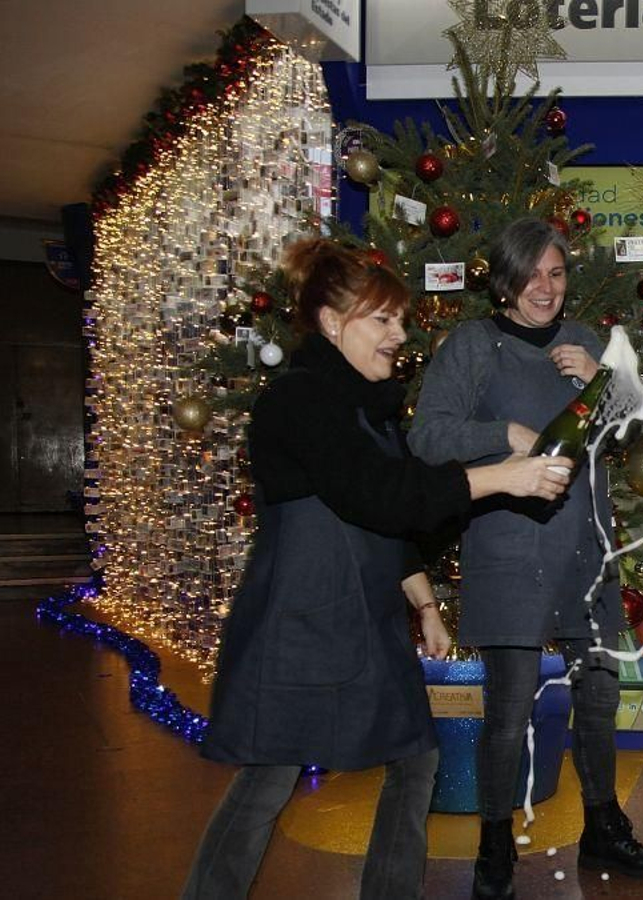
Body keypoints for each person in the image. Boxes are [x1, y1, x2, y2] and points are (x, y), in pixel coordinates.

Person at [185, 239, 574, 900]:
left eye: (400, 320)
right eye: (383, 319)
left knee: (416, 758)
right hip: (301, 623)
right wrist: (501, 476)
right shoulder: (297, 400)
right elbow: (381, 496)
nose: (399, 334)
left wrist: (424, 604)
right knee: (268, 780)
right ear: (332, 322)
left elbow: (392, 526)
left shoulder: (369, 408)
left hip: (365, 619)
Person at [408, 217, 643, 897]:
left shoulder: (583, 339)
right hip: (508, 546)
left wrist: (603, 381)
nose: (544, 288)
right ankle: (495, 848)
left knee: (599, 697)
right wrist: (505, 434)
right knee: (508, 710)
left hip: (585, 547)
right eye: (531, 275)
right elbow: (428, 437)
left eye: (555, 274)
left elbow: (629, 433)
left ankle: (604, 829)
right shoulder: (474, 344)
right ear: (504, 279)